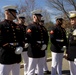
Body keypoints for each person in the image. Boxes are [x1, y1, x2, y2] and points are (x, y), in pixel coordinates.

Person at [0, 5, 23, 75]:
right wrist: (13, 49)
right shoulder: (1, 25)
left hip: (17, 55)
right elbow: (1, 41)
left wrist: (21, 46)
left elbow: (21, 38)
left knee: (16, 73)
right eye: (14, 12)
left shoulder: (17, 26)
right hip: (6, 54)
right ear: (7, 13)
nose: (16, 14)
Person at [26, 9, 48, 75]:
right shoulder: (30, 26)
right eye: (39, 16)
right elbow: (30, 39)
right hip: (33, 50)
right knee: (31, 69)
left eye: (40, 16)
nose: (40, 17)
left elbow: (46, 37)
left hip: (41, 50)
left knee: (40, 68)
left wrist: (45, 44)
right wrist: (40, 46)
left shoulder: (42, 27)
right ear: (34, 17)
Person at [64, 11, 76, 75]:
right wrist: (67, 52)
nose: (71, 21)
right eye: (71, 19)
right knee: (72, 72)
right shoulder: (71, 30)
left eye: (73, 19)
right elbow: (68, 43)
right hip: (71, 55)